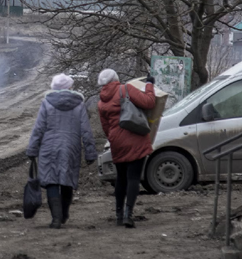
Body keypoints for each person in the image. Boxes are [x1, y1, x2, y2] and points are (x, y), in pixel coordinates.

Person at [26, 73, 97, 229]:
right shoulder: (79, 104)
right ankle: (64, 214)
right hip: (71, 148)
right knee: (67, 181)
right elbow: (86, 130)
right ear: (69, 87)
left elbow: (39, 128)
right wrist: (90, 152)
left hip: (49, 148)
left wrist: (32, 149)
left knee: (51, 182)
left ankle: (56, 219)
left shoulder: (46, 103)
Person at [97, 69, 156, 228]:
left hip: (117, 142)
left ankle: (118, 215)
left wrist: (114, 138)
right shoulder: (125, 89)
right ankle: (128, 215)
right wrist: (149, 84)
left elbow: (106, 127)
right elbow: (149, 102)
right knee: (133, 178)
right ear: (116, 78)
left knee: (121, 179)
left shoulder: (101, 102)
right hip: (135, 136)